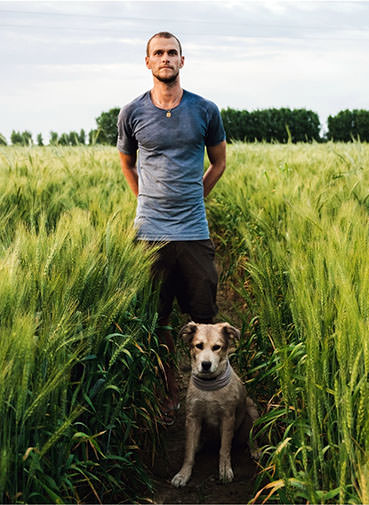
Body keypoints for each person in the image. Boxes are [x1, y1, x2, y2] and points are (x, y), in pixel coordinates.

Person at [117, 31, 226, 424]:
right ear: (147, 62)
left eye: (172, 53)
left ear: (183, 60)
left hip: (194, 232)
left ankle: (207, 397)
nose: (166, 58)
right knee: (157, 321)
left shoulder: (205, 110)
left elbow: (218, 163)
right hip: (150, 234)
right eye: (158, 53)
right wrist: (145, 203)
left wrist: (196, 197)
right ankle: (168, 395)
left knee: (205, 319)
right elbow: (127, 164)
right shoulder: (132, 112)